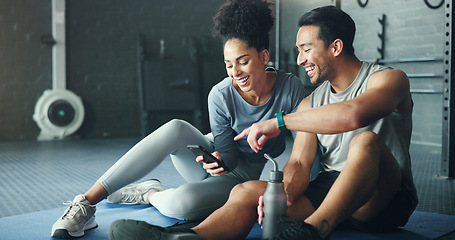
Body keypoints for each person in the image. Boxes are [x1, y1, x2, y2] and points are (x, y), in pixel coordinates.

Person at [108, 5, 418, 240]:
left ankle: (309, 232)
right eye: (298, 51)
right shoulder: (312, 101)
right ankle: (188, 237)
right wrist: (285, 193)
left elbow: (353, 115)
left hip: (381, 198)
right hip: (327, 190)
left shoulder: (388, 79)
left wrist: (277, 122)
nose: (299, 60)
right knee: (245, 191)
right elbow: (298, 161)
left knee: (364, 142)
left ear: (335, 47)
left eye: (306, 49)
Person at [50, 0, 307, 238]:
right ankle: (85, 203)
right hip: (208, 156)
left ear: (263, 57)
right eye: (228, 64)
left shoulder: (290, 88)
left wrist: (300, 193)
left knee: (179, 204)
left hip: (242, 175)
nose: (235, 72)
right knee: (176, 128)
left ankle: (149, 194)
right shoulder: (220, 94)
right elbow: (226, 152)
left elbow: (304, 149)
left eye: (243, 61)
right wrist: (218, 160)